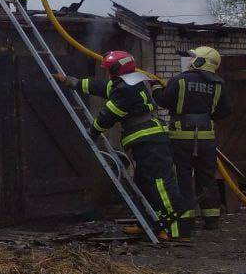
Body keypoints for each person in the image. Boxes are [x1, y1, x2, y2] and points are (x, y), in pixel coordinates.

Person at [53, 51, 194, 240]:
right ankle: (151, 224)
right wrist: (71, 81)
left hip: (150, 142)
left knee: (160, 184)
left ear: (115, 69)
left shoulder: (125, 89)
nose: (107, 73)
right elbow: (99, 86)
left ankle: (177, 231)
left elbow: (107, 115)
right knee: (144, 184)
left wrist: (92, 132)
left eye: (109, 69)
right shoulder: (131, 82)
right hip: (147, 141)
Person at [154, 47, 232, 230]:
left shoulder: (179, 80)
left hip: (180, 138)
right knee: (207, 177)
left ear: (200, 61)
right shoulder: (218, 84)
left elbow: (163, 101)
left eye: (193, 58)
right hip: (206, 139)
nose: (190, 61)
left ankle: (185, 220)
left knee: (182, 177)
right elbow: (225, 111)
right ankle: (211, 219)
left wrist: (156, 88)